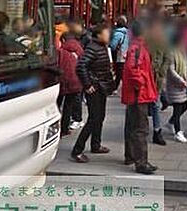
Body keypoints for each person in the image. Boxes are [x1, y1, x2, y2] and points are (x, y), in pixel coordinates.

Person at [71, 24, 116, 163]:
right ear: (99, 35)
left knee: (100, 116)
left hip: (102, 87)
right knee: (94, 119)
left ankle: (96, 144)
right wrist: (88, 84)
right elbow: (81, 66)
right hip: (95, 88)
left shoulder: (102, 47)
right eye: (106, 33)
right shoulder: (93, 48)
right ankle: (77, 150)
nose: (108, 36)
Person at [121, 21, 159, 174]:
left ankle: (131, 155)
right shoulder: (138, 48)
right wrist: (140, 85)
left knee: (132, 126)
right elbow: (133, 69)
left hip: (136, 94)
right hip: (139, 95)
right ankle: (141, 162)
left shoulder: (136, 47)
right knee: (141, 128)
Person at [146, 19, 170, 146]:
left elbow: (167, 58)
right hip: (146, 77)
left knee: (155, 104)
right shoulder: (145, 42)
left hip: (157, 78)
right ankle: (143, 128)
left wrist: (162, 71)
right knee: (145, 104)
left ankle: (157, 130)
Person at [56, 33, 84, 137]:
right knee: (69, 105)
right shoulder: (79, 48)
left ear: (63, 40)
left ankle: (56, 127)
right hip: (76, 80)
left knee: (57, 104)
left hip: (62, 80)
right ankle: (65, 128)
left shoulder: (60, 51)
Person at [166, 31, 187, 143]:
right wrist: (180, 80)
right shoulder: (171, 53)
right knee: (178, 107)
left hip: (182, 83)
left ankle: (171, 122)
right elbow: (171, 70)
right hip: (174, 84)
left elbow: (185, 66)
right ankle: (178, 132)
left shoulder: (182, 52)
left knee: (184, 105)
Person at [110, 15, 130, 92]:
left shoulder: (117, 33)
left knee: (119, 71)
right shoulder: (128, 33)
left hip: (119, 54)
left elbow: (113, 45)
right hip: (127, 54)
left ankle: (115, 87)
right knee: (123, 71)